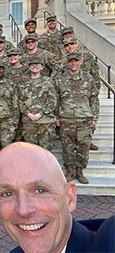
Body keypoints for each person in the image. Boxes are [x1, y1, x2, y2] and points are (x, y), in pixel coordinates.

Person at [0, 142, 114, 253]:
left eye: (40, 191)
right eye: (8, 194)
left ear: (69, 197)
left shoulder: (107, 242)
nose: (24, 210)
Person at [54, 52, 99, 184]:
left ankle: (79, 171)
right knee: (67, 147)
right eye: (71, 61)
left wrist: (94, 116)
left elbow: (94, 99)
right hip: (66, 118)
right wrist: (57, 116)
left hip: (84, 118)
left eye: (76, 61)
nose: (73, 63)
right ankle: (69, 171)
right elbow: (56, 99)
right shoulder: (60, 79)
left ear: (81, 62)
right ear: (67, 63)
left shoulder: (88, 78)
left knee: (83, 146)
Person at [18, 59, 57, 151]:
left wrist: (41, 113)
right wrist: (28, 113)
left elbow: (52, 101)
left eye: (37, 64)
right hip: (29, 121)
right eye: (32, 64)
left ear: (42, 67)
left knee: (45, 149)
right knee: (30, 150)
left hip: (45, 121)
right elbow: (20, 101)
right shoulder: (23, 84)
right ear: (28, 67)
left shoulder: (48, 82)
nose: (35, 66)